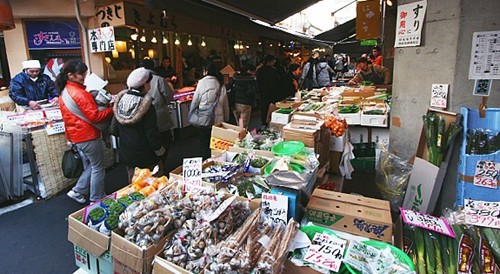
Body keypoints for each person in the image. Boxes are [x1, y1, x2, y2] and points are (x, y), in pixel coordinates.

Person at [57, 60, 113, 203]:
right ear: (70, 75)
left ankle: (78, 191)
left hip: (76, 135)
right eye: (81, 74)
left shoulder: (65, 91)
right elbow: (94, 116)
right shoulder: (79, 93)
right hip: (87, 135)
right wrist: (112, 108)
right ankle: (97, 198)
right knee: (98, 167)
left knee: (93, 165)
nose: (84, 77)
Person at [113, 68, 167, 181]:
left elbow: (114, 129)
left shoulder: (120, 102)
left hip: (127, 152)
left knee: (134, 183)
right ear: (145, 84)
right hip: (146, 153)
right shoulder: (146, 106)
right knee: (153, 183)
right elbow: (151, 133)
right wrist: (160, 150)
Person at [140, 59, 175, 175]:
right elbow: (169, 95)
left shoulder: (137, 79)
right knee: (165, 140)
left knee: (151, 140)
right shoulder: (158, 79)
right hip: (160, 115)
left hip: (143, 118)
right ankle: (161, 164)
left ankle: (154, 166)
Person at [189, 62, 229, 159]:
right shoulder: (220, 84)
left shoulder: (202, 82)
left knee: (204, 143)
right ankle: (217, 162)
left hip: (204, 118)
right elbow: (225, 104)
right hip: (218, 120)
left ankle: (206, 162)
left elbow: (195, 100)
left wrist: (191, 113)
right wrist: (226, 119)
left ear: (206, 71)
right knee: (217, 144)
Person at [227, 65, 257, 129]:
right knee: (244, 126)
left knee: (239, 124)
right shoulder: (251, 79)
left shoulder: (234, 78)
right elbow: (253, 92)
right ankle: (242, 137)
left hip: (235, 103)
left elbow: (228, 87)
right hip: (246, 103)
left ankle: (239, 136)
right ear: (248, 71)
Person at [256, 54, 280, 127]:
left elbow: (258, 82)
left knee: (264, 108)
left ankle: (263, 122)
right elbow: (278, 82)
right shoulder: (274, 70)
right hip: (273, 92)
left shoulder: (260, 70)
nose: (274, 62)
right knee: (272, 108)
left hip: (263, 92)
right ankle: (271, 121)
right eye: (273, 61)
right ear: (269, 61)